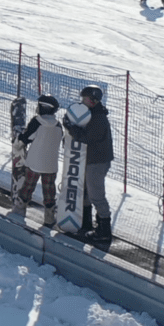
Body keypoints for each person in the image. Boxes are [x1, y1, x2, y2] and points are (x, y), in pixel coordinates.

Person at [63, 85, 115, 243]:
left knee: (96, 195)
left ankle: (104, 230)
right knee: (85, 190)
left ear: (93, 101)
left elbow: (86, 137)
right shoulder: (91, 113)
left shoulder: (98, 118)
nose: (82, 101)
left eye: (85, 99)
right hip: (92, 159)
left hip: (97, 162)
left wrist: (71, 127)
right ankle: (86, 223)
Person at [13, 94, 63, 224]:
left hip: (34, 162)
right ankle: (50, 216)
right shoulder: (58, 125)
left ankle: (20, 209)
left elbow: (27, 137)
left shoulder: (37, 122)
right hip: (51, 164)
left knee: (28, 186)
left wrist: (18, 144)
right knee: (49, 190)